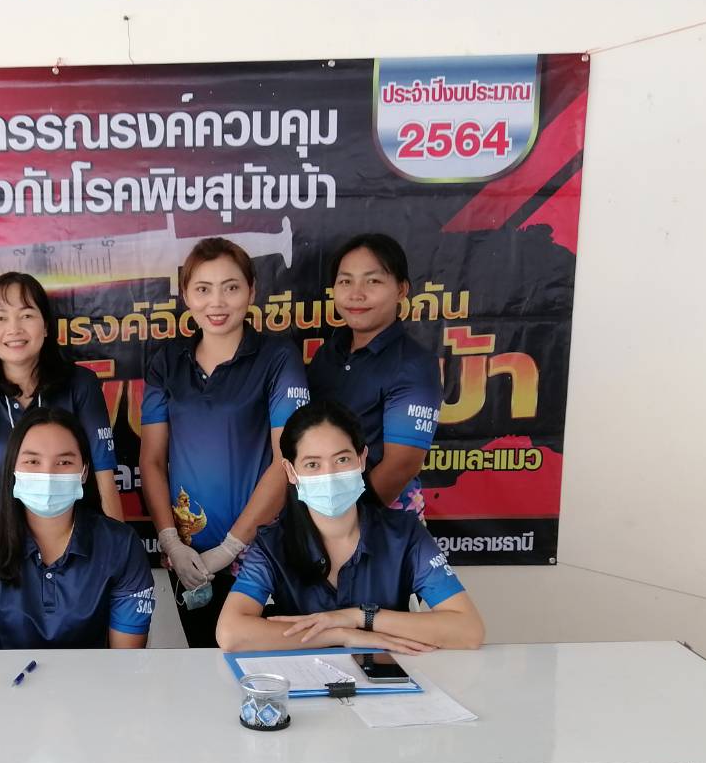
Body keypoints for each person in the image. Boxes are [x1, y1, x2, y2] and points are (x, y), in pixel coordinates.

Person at [139, 237, 309, 647]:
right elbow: (152, 461)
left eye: (231, 287)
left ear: (252, 291)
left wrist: (231, 546)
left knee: (262, 668)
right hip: (189, 560)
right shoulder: (167, 362)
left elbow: (286, 460)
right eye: (203, 289)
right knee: (204, 663)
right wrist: (171, 542)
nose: (216, 302)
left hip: (260, 554)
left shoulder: (277, 358)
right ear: (186, 295)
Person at [216, 400, 483, 653]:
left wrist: (359, 617)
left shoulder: (405, 533)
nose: (329, 474)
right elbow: (230, 633)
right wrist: (340, 635)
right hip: (304, 677)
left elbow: (468, 630)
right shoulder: (272, 544)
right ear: (291, 472)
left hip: (390, 675)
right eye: (312, 464)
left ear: (361, 459)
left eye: (342, 459)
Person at [0, 407, 154, 650]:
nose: (47, 474)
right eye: (32, 461)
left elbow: (127, 659)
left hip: (97, 676)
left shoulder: (122, 545)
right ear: (13, 469)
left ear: (84, 472)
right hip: (3, 677)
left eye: (64, 462)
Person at [0, 272, 123, 534]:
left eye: (26, 315)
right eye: (0, 317)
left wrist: (117, 551)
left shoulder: (81, 385)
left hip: (78, 551)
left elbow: (104, 481)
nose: (14, 329)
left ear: (46, 326)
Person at [306, 233, 442, 515]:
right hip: (318, 510)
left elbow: (401, 465)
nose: (356, 294)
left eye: (373, 281)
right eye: (346, 281)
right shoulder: (327, 354)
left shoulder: (414, 365)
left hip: (376, 517)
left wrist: (345, 522)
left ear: (401, 290)